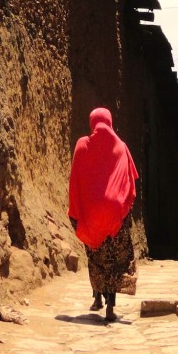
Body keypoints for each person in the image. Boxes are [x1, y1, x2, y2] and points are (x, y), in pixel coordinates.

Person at [68, 108, 139, 322]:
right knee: (114, 260)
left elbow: (76, 181)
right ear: (110, 122)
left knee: (96, 256)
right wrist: (123, 212)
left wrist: (77, 211)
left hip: (90, 213)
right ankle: (109, 305)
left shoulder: (82, 145)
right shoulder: (121, 146)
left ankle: (97, 297)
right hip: (114, 213)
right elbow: (129, 182)